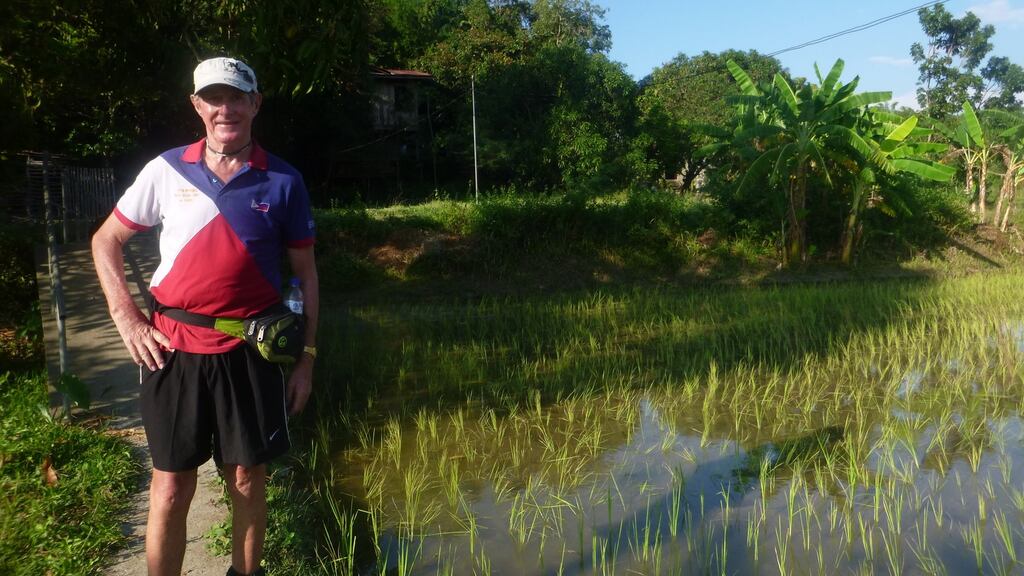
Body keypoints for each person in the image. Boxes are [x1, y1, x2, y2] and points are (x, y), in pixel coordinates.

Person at [92, 56, 318, 576]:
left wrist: (305, 356)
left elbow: (305, 275)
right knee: (171, 484)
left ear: (255, 104)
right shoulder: (165, 170)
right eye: (213, 98)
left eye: (237, 97)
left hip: (251, 350)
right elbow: (106, 240)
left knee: (246, 478)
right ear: (196, 106)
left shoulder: (283, 180)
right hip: (172, 350)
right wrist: (126, 317)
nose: (225, 109)